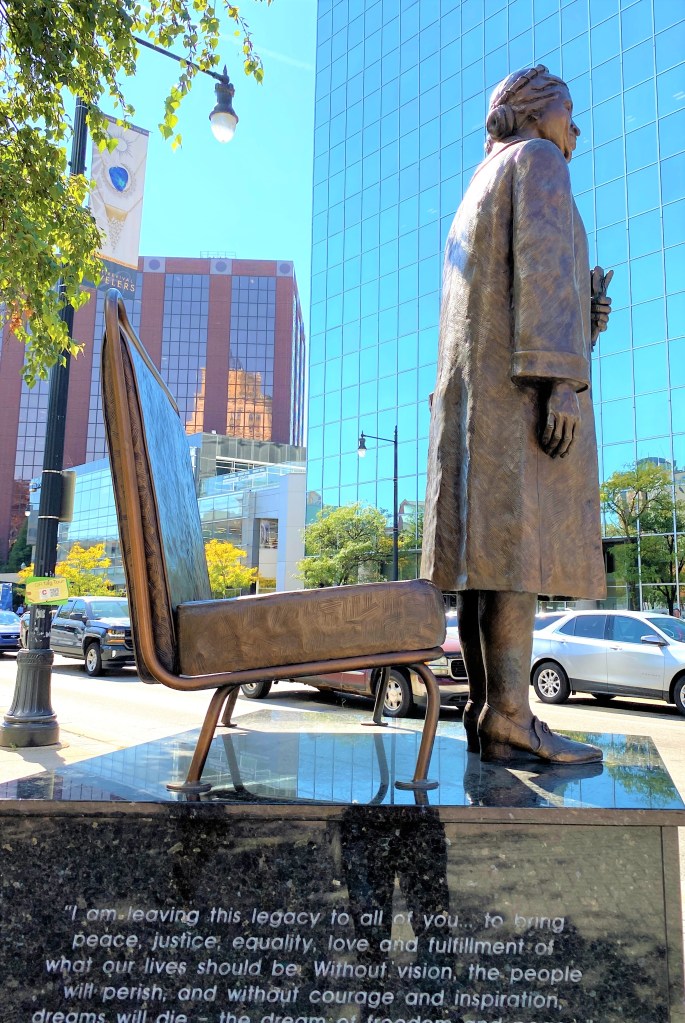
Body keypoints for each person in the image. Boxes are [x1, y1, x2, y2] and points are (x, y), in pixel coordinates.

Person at [421, 66, 611, 765]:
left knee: (487, 560)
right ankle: (508, 711)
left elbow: (502, 299)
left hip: (476, 404)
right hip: (518, 394)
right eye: (569, 112)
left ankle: (484, 709)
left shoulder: (477, 184)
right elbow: (539, 268)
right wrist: (561, 379)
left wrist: (581, 320)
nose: (575, 130)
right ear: (536, 114)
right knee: (517, 555)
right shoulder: (536, 161)